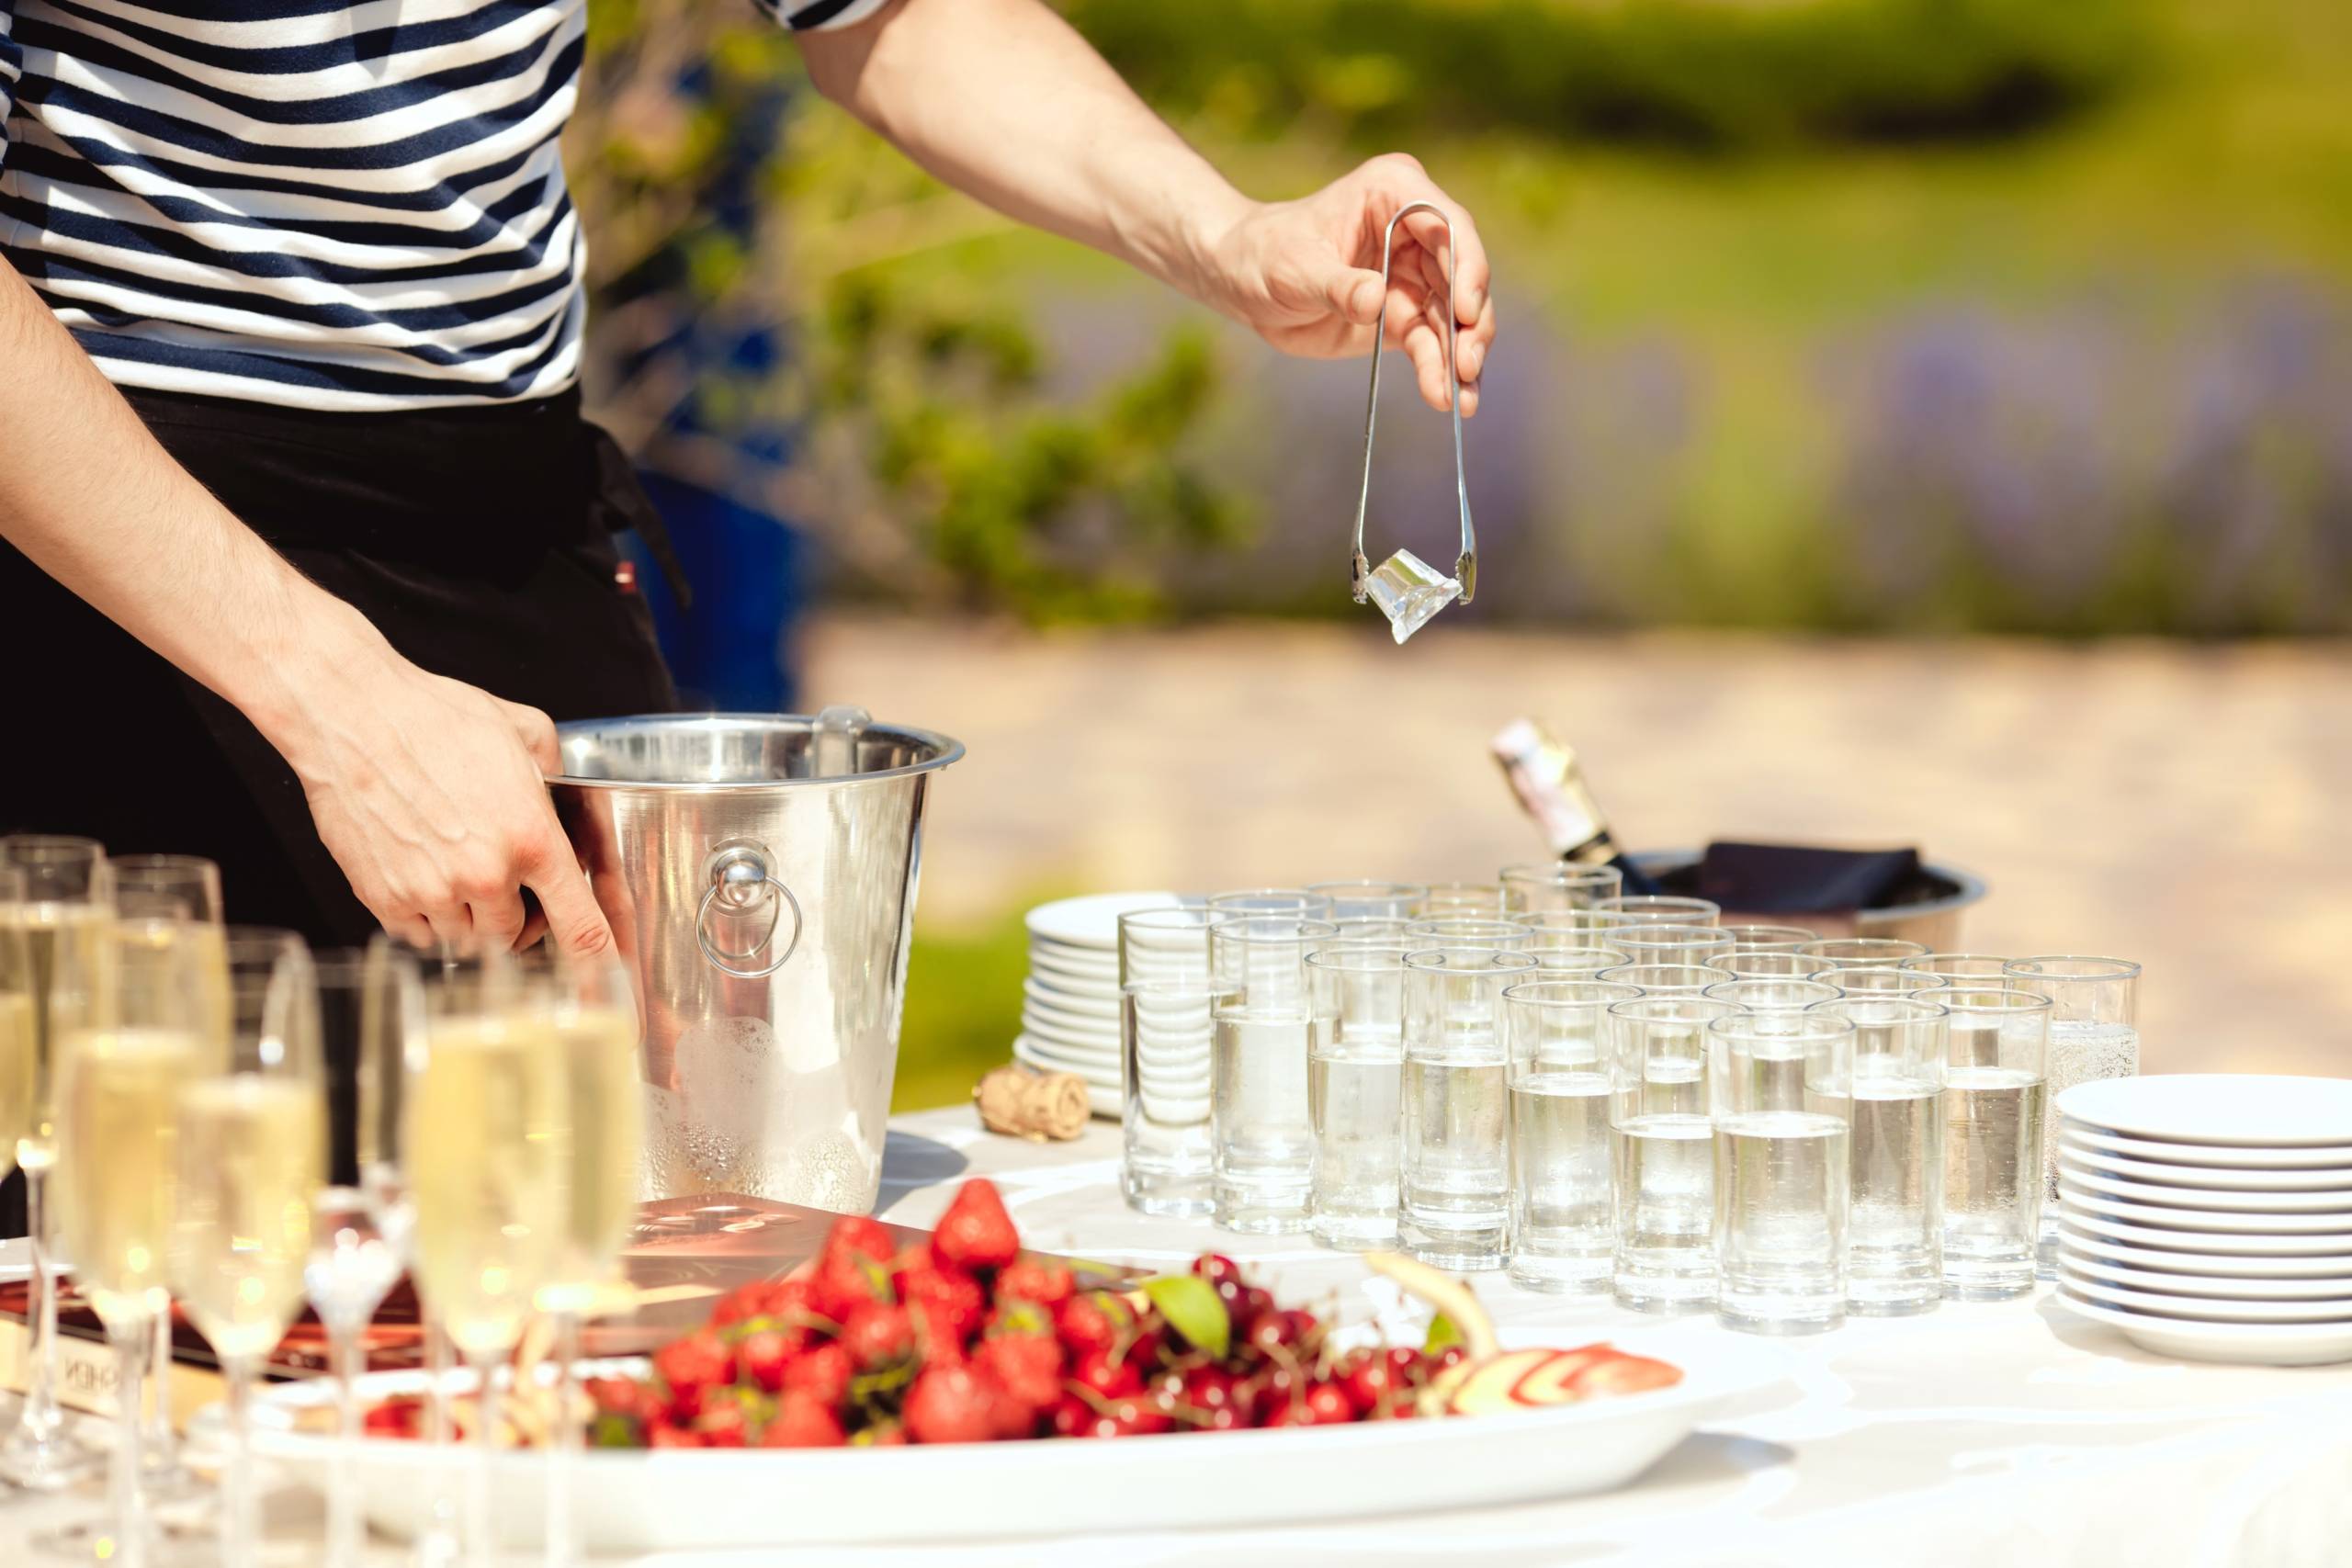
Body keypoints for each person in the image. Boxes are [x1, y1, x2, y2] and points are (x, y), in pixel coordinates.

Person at [0, 0, 1497, 960]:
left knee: (632, 1297)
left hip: (506, 529)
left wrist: (1225, 240)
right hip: (114, 559)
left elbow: (882, 13)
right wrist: (333, 703)